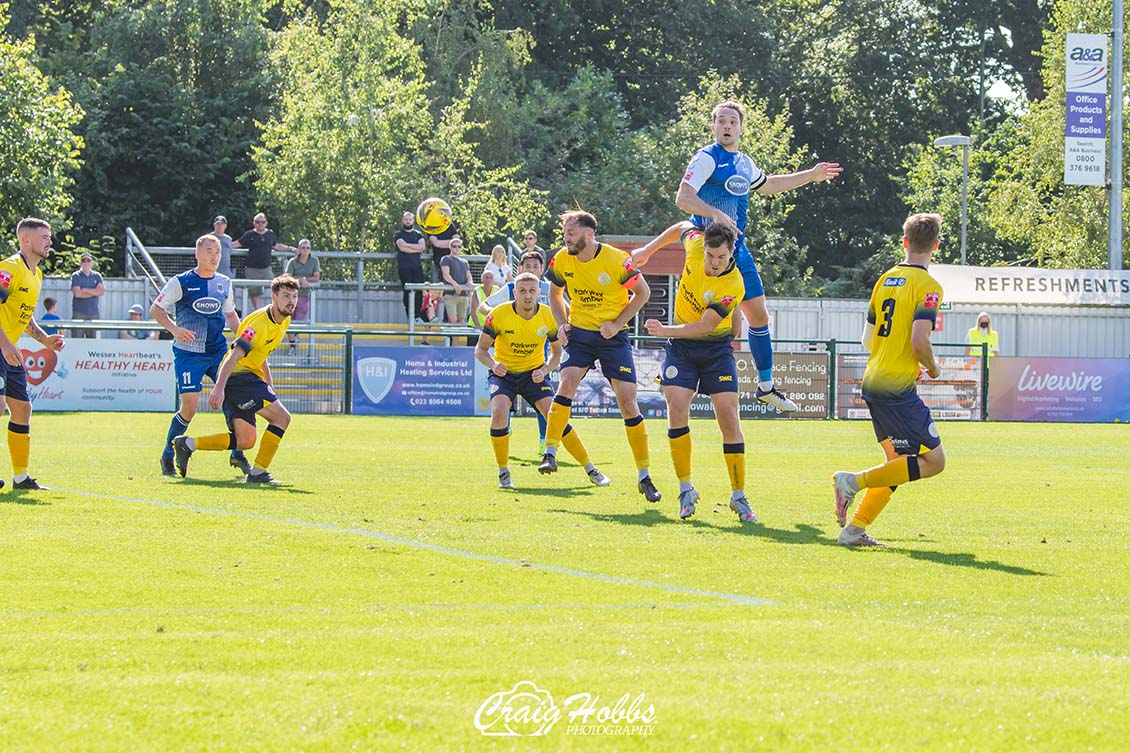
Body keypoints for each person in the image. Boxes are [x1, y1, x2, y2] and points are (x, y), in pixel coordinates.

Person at [675, 100, 842, 413]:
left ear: (740, 128)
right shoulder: (706, 158)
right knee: (705, 319)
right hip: (708, 251)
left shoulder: (743, 163)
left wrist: (811, 175)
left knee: (760, 317)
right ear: (713, 127)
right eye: (721, 121)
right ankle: (682, 369)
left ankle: (766, 387)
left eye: (732, 122)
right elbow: (683, 198)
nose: (726, 126)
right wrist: (714, 214)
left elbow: (769, 185)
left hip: (738, 250)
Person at [832, 213, 948, 548]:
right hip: (896, 387)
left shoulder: (886, 279)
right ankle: (851, 482)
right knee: (935, 462)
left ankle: (854, 531)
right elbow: (919, 341)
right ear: (936, 246)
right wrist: (934, 368)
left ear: (905, 242)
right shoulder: (929, 287)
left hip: (873, 380)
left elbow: (868, 340)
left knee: (898, 464)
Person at [636, 222, 754, 523]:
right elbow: (680, 227)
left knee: (728, 416)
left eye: (721, 257)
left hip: (715, 350)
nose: (714, 263)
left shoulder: (733, 285)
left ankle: (738, 495)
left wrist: (664, 330)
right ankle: (686, 489)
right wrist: (648, 250)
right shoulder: (695, 244)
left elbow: (705, 326)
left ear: (731, 255)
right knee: (676, 408)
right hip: (682, 351)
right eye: (711, 255)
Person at [540, 210, 660, 502]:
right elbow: (555, 295)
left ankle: (644, 476)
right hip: (580, 334)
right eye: (565, 233)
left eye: (571, 233)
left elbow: (642, 293)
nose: (566, 238)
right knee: (566, 382)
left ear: (588, 235)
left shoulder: (618, 260)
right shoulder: (562, 259)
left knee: (629, 404)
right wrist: (562, 325)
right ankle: (550, 452)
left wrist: (617, 323)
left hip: (612, 338)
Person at [475, 272, 610, 490]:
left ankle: (591, 469)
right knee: (499, 412)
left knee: (554, 416)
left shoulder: (549, 316)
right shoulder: (499, 314)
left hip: (534, 375)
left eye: (531, 291)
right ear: (515, 294)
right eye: (522, 291)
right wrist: (493, 365)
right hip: (504, 374)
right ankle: (503, 472)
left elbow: (557, 353)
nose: (527, 296)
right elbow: (480, 350)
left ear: (539, 293)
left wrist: (545, 368)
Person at [173, 275, 299, 484]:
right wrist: (218, 389)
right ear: (274, 297)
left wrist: (268, 382)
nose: (291, 301)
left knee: (245, 440)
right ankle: (258, 473)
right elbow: (233, 356)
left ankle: (188, 444)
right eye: (286, 296)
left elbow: (262, 353)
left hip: (247, 378)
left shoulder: (285, 319)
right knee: (282, 418)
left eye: (294, 296)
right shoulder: (258, 323)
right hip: (239, 377)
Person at [152, 233, 250, 478]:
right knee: (190, 406)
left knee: (234, 397)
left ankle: (238, 454)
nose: (214, 256)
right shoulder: (181, 282)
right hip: (189, 355)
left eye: (217, 252)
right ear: (197, 254)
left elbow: (230, 316)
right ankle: (167, 455)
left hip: (217, 352)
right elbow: (156, 308)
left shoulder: (224, 283)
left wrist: (246, 342)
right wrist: (175, 329)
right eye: (209, 251)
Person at [0, 218, 66, 490]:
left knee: (23, 409)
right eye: (44, 237)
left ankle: (20, 478)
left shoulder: (36, 274)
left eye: (50, 236)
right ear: (25, 240)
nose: (49, 241)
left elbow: (25, 318)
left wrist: (44, 340)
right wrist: (5, 344)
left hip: (9, 349)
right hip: (3, 346)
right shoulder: (9, 268)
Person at [478, 250, 557, 453]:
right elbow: (483, 305)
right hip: (509, 353)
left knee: (545, 404)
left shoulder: (549, 290)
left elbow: (565, 314)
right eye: (527, 266)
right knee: (503, 402)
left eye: (535, 266)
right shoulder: (511, 288)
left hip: (539, 354)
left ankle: (543, 441)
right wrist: (494, 314)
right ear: (520, 269)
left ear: (542, 270)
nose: (531, 269)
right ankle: (505, 428)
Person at [232, 212, 297, 309]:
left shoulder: (270, 234)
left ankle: (276, 309)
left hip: (266, 269)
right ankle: (259, 311)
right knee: (255, 292)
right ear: (254, 223)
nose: (260, 224)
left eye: (263, 222)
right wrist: (220, 245)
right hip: (252, 269)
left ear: (266, 223)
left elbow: (276, 246)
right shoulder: (249, 234)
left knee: (275, 288)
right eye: (258, 222)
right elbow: (236, 244)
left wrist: (291, 249)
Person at [283, 238, 320, 350]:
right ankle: (292, 344)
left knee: (299, 318)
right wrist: (300, 280)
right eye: (303, 248)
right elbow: (287, 276)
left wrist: (305, 279)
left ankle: (294, 339)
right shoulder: (292, 261)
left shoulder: (314, 261)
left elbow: (316, 277)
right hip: (291, 294)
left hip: (304, 294)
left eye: (307, 248)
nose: (305, 250)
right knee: (289, 318)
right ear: (299, 249)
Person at [395, 211, 427, 321]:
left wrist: (408, 245)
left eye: (410, 219)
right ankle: (410, 317)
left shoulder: (418, 234)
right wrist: (415, 248)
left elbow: (422, 247)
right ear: (402, 221)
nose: (408, 221)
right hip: (404, 268)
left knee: (419, 291)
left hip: (417, 267)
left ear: (413, 221)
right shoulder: (398, 234)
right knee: (407, 291)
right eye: (405, 219)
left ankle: (417, 316)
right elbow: (402, 247)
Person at [70, 252, 105, 338]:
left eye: (88, 260)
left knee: (93, 342)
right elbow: (77, 294)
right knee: (77, 340)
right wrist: (94, 292)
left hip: (93, 314)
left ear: (92, 263)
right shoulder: (76, 276)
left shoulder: (97, 276)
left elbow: (101, 292)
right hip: (79, 313)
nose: (86, 262)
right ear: (80, 263)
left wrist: (85, 290)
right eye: (83, 260)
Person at [440, 236, 472, 327]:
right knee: (453, 320)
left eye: (459, 246)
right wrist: (455, 284)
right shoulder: (446, 259)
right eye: (454, 246)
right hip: (451, 294)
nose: (457, 248)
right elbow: (446, 274)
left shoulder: (465, 262)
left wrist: (470, 282)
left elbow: (468, 275)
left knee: (460, 321)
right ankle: (449, 341)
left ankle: (455, 342)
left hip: (464, 295)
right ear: (450, 247)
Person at [428, 217, 461, 282]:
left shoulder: (450, 225)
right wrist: (451, 243)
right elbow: (436, 243)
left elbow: (457, 240)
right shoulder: (431, 227)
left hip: (453, 257)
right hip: (440, 259)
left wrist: (444, 243)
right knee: (444, 280)